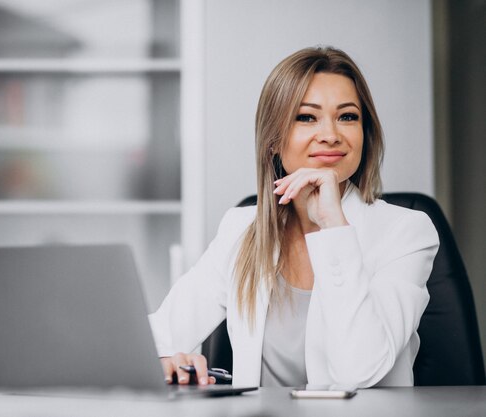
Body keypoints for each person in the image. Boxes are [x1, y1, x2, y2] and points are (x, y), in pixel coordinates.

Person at [148, 46, 439, 389]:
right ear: (273, 140)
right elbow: (159, 336)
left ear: (366, 134)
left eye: (347, 116)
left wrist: (333, 227)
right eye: (306, 117)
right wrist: (167, 358)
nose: (331, 134)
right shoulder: (241, 229)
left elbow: (359, 372)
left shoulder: (406, 232)